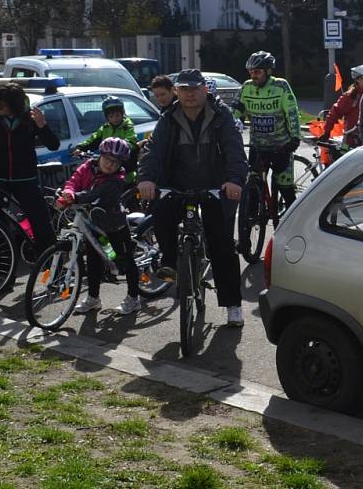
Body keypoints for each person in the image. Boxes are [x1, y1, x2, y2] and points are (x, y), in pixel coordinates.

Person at [138, 68, 248, 327]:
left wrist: (234, 180)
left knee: (222, 245)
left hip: (215, 188)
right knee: (161, 216)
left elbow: (234, 150)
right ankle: (169, 262)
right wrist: (146, 178)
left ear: (205, 89)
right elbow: (153, 151)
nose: (189, 94)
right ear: (177, 91)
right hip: (177, 186)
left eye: (194, 88)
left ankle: (232, 304)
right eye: (184, 89)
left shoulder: (222, 116)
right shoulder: (168, 118)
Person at [0, 82, 59, 257]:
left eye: (1, 105)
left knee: (40, 222)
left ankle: (51, 264)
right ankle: (2, 277)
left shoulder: (30, 118)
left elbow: (53, 145)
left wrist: (42, 126)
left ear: (13, 106)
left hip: (25, 179)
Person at [58, 137, 142, 315]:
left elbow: (95, 195)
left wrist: (76, 197)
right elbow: (75, 179)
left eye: (116, 162)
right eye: (107, 159)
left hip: (114, 225)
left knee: (124, 260)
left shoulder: (117, 179)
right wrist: (68, 191)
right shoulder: (88, 166)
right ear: (100, 155)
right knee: (94, 260)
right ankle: (93, 298)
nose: (110, 165)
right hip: (93, 225)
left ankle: (134, 298)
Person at [231, 51, 301, 208]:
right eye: (250, 72)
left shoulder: (281, 86)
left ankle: (291, 223)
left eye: (257, 72)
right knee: (253, 190)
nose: (253, 76)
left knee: (286, 190)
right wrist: (235, 122)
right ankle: (252, 220)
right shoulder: (247, 87)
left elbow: (292, 112)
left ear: (268, 71)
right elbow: (236, 108)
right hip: (257, 145)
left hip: (281, 146)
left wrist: (295, 138)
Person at [73, 96, 139, 181]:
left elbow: (131, 141)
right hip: (107, 167)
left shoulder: (128, 127)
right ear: (107, 117)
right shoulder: (104, 128)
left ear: (123, 114)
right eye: (111, 116)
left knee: (124, 185)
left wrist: (123, 147)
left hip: (125, 168)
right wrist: (81, 148)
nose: (115, 118)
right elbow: (93, 140)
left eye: (117, 115)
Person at [320, 64, 363, 147]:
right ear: (361, 79)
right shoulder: (350, 97)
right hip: (351, 141)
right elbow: (334, 112)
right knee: (344, 156)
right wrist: (327, 132)